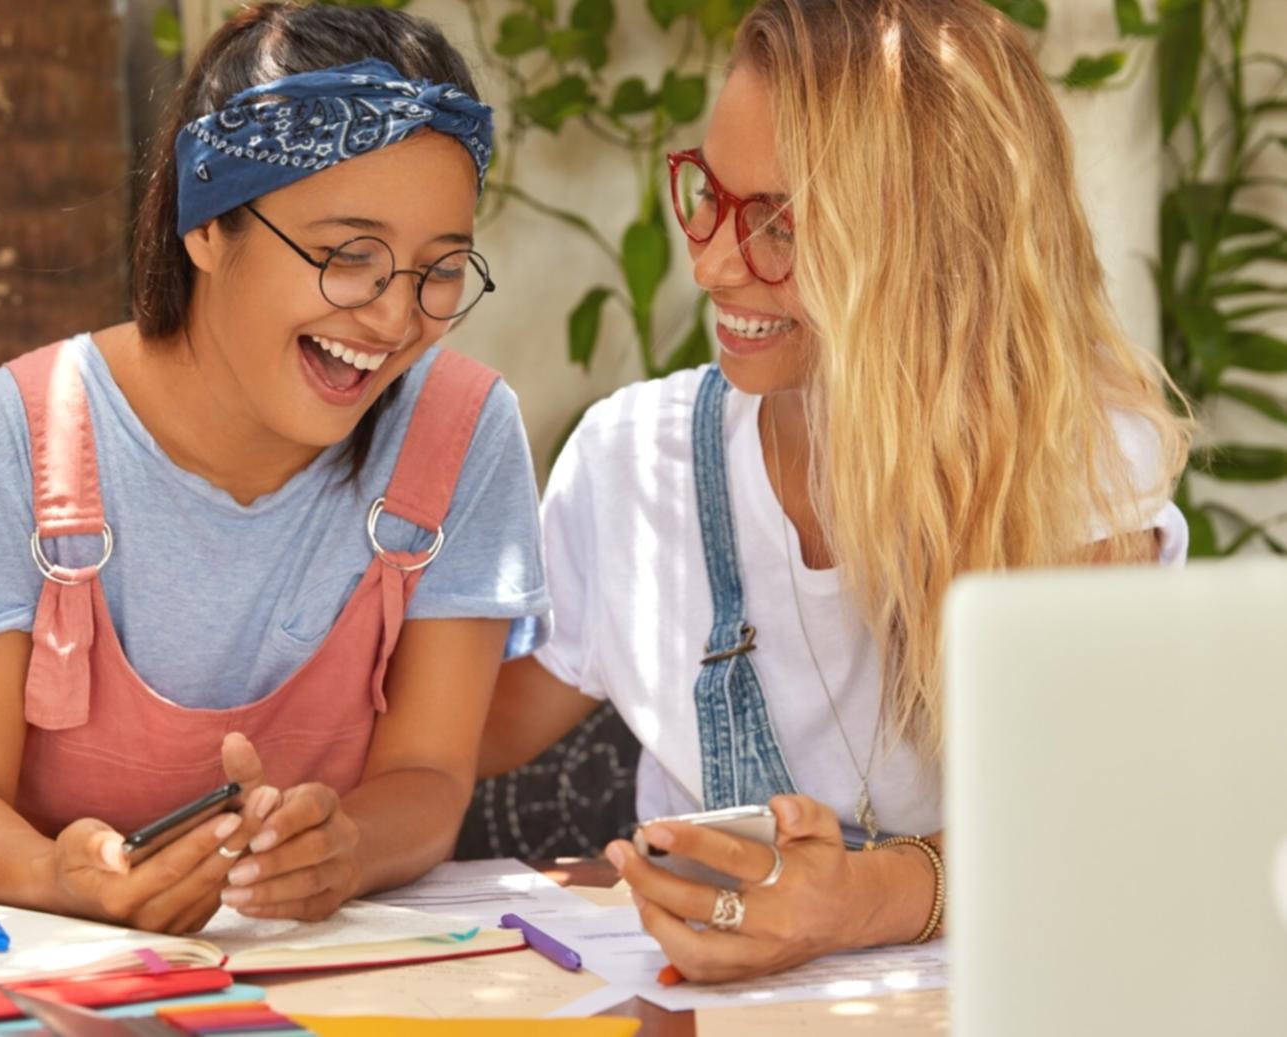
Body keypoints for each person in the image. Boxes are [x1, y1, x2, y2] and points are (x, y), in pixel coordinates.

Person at [478, 0, 1190, 982]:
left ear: (932, 240)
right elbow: (453, 738)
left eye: (777, 222)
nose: (713, 261)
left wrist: (862, 900)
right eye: (708, 194)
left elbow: (1096, 817)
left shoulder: (1070, 465)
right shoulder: (633, 462)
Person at [0, 2, 547, 935]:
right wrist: (60, 876)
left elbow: (431, 778)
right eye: (348, 256)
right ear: (206, 227)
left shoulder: (462, 430)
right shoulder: (26, 430)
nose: (396, 319)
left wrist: (343, 847)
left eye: (440, 268)